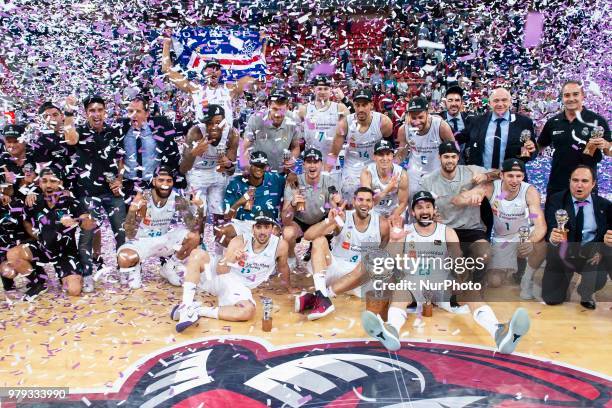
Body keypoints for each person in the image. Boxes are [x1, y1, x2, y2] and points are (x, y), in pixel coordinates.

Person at [361, 191, 531, 355]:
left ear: (434, 210)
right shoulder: (405, 231)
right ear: (413, 212)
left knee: (470, 292)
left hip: (442, 281)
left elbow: (458, 261)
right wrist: (393, 241)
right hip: (414, 281)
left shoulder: (447, 231)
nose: (424, 210)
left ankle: (498, 332)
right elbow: (392, 262)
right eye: (419, 207)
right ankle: (391, 330)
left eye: (428, 206)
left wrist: (461, 276)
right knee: (400, 292)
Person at [170, 210, 294, 332]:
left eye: (266, 227)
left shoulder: (280, 246)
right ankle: (186, 306)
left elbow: (283, 266)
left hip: (236, 285)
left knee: (247, 311)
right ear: (253, 228)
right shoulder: (239, 241)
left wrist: (289, 287)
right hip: (220, 273)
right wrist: (232, 258)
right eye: (258, 227)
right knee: (196, 254)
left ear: (272, 229)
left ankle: (197, 311)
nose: (262, 232)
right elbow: (220, 270)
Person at [452, 159, 547, 299]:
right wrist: (469, 199)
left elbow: (540, 225)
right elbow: (457, 200)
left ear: (523, 176)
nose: (515, 180)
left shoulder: (529, 191)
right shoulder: (491, 188)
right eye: (510, 176)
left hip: (523, 234)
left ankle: (527, 279)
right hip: (503, 239)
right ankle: (515, 266)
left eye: (518, 176)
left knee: (540, 243)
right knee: (494, 282)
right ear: (502, 175)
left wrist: (530, 241)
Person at [0, 167, 95, 301]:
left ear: (60, 182)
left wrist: (76, 221)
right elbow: (27, 222)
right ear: (39, 183)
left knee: (74, 290)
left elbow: (89, 223)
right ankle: (39, 282)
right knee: (12, 254)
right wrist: (39, 237)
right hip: (41, 248)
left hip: (65, 252)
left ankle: (64, 275)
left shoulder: (71, 202)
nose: (49, 185)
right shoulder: (33, 201)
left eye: (53, 181)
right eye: (44, 181)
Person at [296, 187, 390, 321]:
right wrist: (329, 221)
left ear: (372, 204)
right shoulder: (342, 217)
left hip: (358, 279)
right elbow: (308, 235)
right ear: (354, 201)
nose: (364, 203)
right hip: (334, 269)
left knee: (372, 261)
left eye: (368, 200)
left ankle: (320, 297)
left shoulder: (382, 224)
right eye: (360, 199)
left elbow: (384, 252)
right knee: (319, 240)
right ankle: (322, 296)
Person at [63, 95, 126, 293]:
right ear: (86, 113)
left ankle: (125, 270)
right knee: (87, 234)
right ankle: (88, 274)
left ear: (105, 111)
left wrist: (119, 180)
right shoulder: (79, 131)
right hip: (88, 193)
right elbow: (69, 138)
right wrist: (68, 111)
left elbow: (121, 160)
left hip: (112, 193)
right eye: (92, 110)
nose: (96, 114)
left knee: (122, 232)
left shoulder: (114, 132)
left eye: (100, 110)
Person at [116, 166, 202, 290]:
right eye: (161, 180)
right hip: (141, 242)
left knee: (193, 237)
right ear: (154, 181)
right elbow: (130, 234)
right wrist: (132, 210)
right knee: (125, 258)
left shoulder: (177, 199)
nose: (165, 184)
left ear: (173, 182)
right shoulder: (144, 198)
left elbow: (193, 227)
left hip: (163, 240)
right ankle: (135, 267)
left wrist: (200, 208)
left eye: (169, 181)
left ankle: (169, 267)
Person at [542, 165, 611, 310]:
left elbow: (608, 234)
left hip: (591, 254)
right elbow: (550, 227)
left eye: (585, 181)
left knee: (603, 267)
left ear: (593, 184)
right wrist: (553, 238)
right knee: (551, 299)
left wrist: (602, 249)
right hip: (564, 253)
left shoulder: (605, 205)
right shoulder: (556, 200)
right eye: (575, 180)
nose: (579, 185)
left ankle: (586, 292)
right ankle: (563, 283)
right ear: (569, 182)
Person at [161, 38, 255, 135]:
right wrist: (166, 43)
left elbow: (255, 74)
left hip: (226, 143)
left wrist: (261, 45)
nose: (213, 71)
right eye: (210, 68)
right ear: (204, 72)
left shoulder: (229, 89)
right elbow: (166, 70)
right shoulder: (196, 89)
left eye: (217, 68)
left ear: (221, 73)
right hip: (203, 141)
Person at [537, 80, 611, 197]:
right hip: (557, 186)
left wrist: (606, 145)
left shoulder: (597, 121)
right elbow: (539, 146)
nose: (571, 99)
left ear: (583, 96)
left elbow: (609, 152)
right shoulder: (553, 122)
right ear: (562, 98)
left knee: (585, 216)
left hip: (585, 186)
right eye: (567, 95)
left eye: (575, 94)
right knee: (556, 215)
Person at [179, 104, 239, 242]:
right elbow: (182, 169)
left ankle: (219, 250)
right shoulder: (195, 133)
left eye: (217, 122)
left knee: (220, 214)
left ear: (225, 122)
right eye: (209, 123)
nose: (213, 127)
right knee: (199, 214)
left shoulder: (232, 134)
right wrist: (193, 154)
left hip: (217, 173)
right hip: (197, 172)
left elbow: (231, 171)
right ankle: (198, 246)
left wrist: (228, 164)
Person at [327, 89, 393, 202]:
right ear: (354, 105)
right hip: (352, 168)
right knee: (350, 200)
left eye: (364, 105)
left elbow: (391, 149)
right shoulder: (345, 124)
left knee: (377, 202)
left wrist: (391, 169)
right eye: (357, 105)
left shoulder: (383, 122)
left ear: (371, 105)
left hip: (375, 166)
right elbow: (333, 153)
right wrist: (325, 173)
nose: (361, 109)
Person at [281, 147, 342, 268]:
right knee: (287, 233)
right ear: (303, 164)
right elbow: (285, 219)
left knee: (339, 223)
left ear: (321, 164)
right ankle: (292, 257)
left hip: (320, 220)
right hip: (300, 222)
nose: (312, 165)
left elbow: (336, 207)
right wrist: (293, 204)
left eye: (315, 162)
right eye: (309, 162)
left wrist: (336, 204)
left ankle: (331, 251)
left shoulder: (329, 181)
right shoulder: (294, 182)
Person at [215, 151, 285, 246]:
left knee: (274, 234)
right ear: (250, 165)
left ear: (266, 167)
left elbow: (294, 180)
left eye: (262, 166)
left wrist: (293, 174)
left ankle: (264, 259)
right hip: (242, 223)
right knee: (221, 232)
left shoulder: (276, 179)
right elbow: (227, 215)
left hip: (267, 223)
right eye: (256, 165)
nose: (259, 169)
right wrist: (240, 202)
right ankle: (238, 257)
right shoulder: (236, 183)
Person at [120, 95, 182, 200]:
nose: (133, 115)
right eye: (130, 111)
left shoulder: (159, 128)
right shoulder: (121, 130)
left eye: (138, 111)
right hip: (128, 184)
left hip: (153, 184)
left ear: (147, 113)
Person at [463, 87, 537, 169]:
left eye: (504, 100)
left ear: (510, 102)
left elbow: (531, 153)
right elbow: (460, 138)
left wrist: (531, 151)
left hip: (511, 178)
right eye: (496, 100)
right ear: (490, 103)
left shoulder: (524, 122)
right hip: (483, 177)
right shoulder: (477, 121)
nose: (500, 104)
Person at [396, 97, 455, 197]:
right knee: (414, 207)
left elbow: (454, 152)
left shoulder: (441, 126)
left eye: (420, 117)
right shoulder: (403, 129)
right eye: (413, 118)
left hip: (437, 172)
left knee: (439, 208)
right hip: (415, 175)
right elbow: (401, 155)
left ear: (427, 113)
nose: (416, 122)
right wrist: (392, 171)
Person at [242, 89, 301, 173]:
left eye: (281, 110)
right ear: (268, 105)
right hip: (258, 171)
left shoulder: (293, 120)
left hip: (282, 172)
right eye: (274, 109)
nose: (277, 114)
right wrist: (247, 168)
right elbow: (245, 147)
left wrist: (292, 159)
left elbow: (295, 146)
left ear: (288, 107)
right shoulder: (256, 119)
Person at [296, 75, 349, 160]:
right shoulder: (304, 109)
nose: (323, 92)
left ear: (330, 90)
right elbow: (291, 128)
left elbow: (356, 119)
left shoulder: (339, 107)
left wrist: (344, 100)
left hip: (332, 158)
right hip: (311, 159)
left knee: (330, 171)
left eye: (326, 89)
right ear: (314, 90)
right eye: (319, 89)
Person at [360, 139, 409, 218]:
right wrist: (387, 189)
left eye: (388, 154)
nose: (385, 158)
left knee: (396, 229)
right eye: (381, 155)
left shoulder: (402, 174)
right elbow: (368, 202)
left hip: (394, 210)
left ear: (392, 156)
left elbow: (403, 203)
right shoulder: (367, 173)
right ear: (374, 157)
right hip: (374, 210)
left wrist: (392, 217)